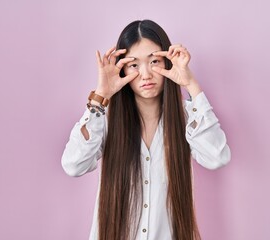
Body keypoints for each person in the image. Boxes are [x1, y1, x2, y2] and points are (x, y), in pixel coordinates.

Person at [61, 19, 230, 240]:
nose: (146, 74)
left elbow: (217, 157)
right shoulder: (106, 118)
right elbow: (73, 165)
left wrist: (191, 85)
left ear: (168, 63)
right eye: (134, 64)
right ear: (122, 69)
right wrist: (101, 96)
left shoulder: (188, 116)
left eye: (154, 62)